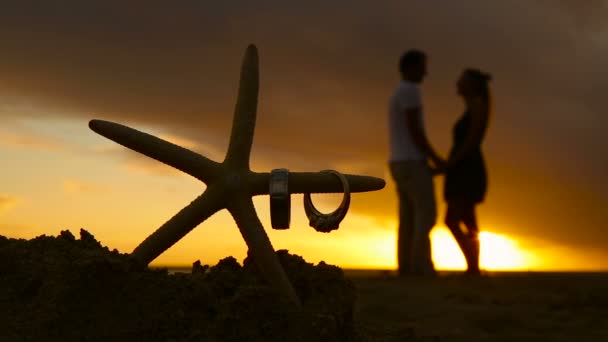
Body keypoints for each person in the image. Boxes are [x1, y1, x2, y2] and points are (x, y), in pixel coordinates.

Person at [388, 50, 446, 276]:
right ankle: (420, 267)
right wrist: (436, 158)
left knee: (408, 218)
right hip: (412, 161)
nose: (426, 72)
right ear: (411, 67)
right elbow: (415, 130)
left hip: (398, 162)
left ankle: (406, 267)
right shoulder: (410, 90)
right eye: (423, 66)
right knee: (426, 214)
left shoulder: (398, 92)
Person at [443, 68, 492, 276]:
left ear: (471, 84)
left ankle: (472, 266)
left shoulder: (477, 105)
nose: (457, 83)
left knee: (452, 220)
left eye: (461, 80)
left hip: (467, 170)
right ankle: (474, 268)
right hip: (463, 168)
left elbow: (472, 140)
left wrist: (451, 162)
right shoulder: (473, 106)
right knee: (468, 220)